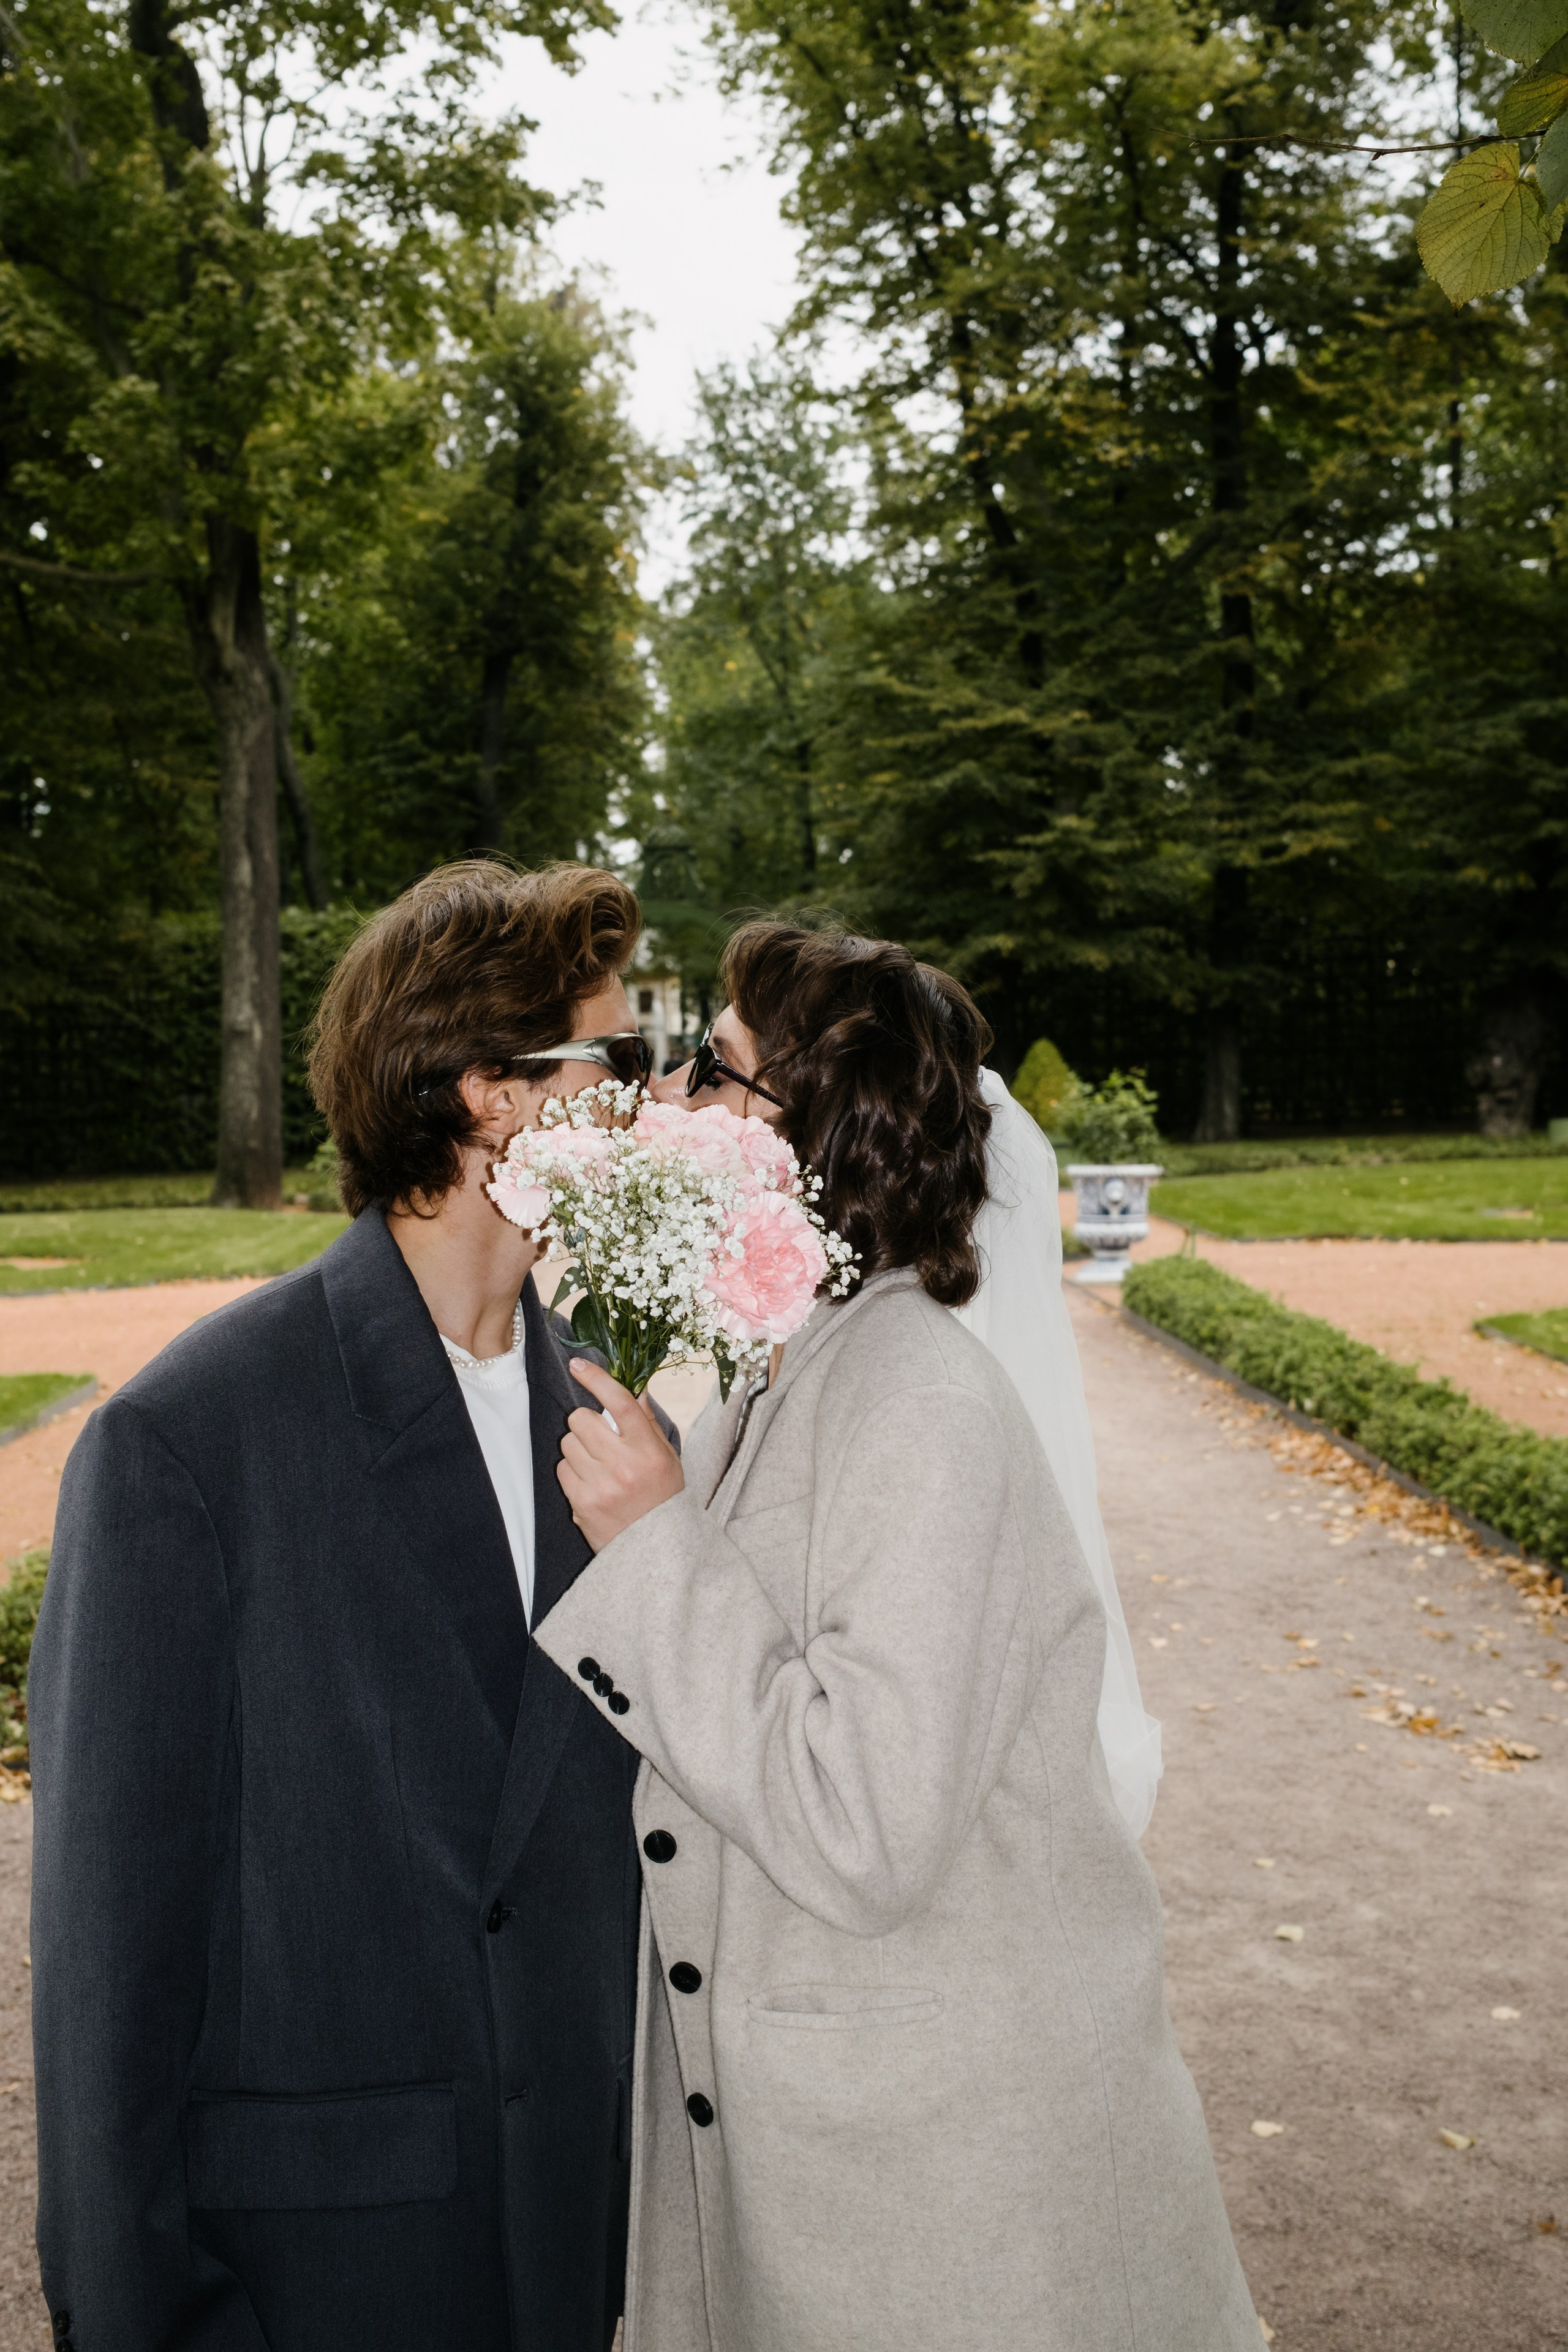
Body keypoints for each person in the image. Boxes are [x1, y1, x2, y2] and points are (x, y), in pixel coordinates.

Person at [531, 922, 1262, 2352]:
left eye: (711, 1068)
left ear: (809, 1139)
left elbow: (864, 1824)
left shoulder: (915, 1402)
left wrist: (655, 1548)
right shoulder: (792, 1365)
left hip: (941, 2196)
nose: (666, 1097)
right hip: (851, 2148)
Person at [29, 859, 673, 2352]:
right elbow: (108, 1958)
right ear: (491, 1094)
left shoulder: (618, 1423)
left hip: (577, 2250)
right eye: (616, 1060)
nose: (647, 1101)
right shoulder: (188, 1443)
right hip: (324, 2271)